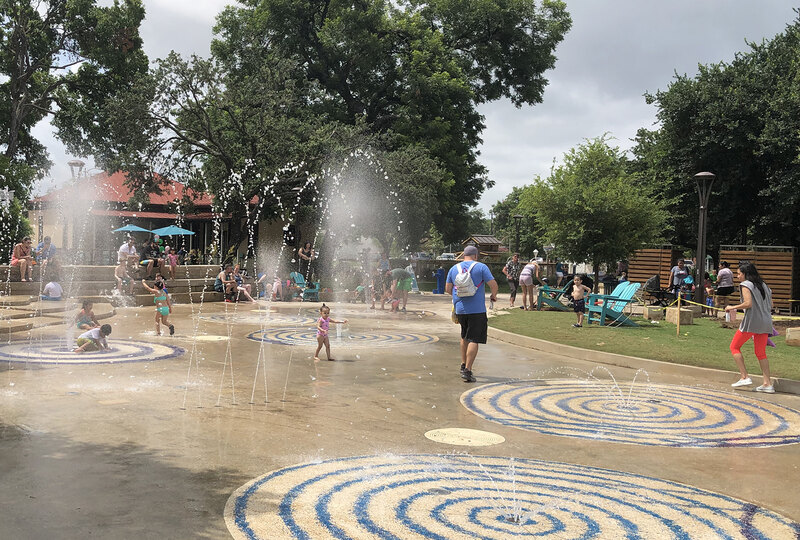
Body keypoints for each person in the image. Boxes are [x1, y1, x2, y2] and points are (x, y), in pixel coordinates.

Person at [445, 245, 498, 383]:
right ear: (476, 256)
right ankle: (468, 371)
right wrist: (493, 295)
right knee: (474, 338)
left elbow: (448, 289)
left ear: (464, 255)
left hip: (460, 309)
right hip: (477, 310)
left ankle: (463, 364)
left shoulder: (453, 269)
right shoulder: (481, 267)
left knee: (464, 336)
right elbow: (493, 284)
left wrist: (458, 297)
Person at [727, 262, 775, 393]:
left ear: (745, 274)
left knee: (734, 347)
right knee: (760, 352)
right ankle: (767, 383)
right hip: (766, 322)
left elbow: (748, 303)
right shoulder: (764, 285)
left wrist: (732, 307)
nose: (737, 276)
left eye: (738, 274)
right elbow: (771, 304)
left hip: (752, 322)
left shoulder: (745, 285)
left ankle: (744, 376)